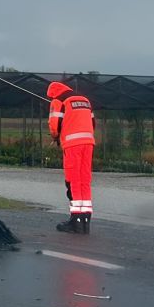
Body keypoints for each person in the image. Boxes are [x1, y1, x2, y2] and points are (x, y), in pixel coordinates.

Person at [47, 81, 96, 234]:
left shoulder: (58, 101)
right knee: (84, 179)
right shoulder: (85, 100)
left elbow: (54, 124)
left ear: (53, 93)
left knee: (73, 180)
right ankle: (85, 221)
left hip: (72, 144)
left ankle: (75, 222)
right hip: (88, 142)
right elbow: (93, 123)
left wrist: (55, 137)